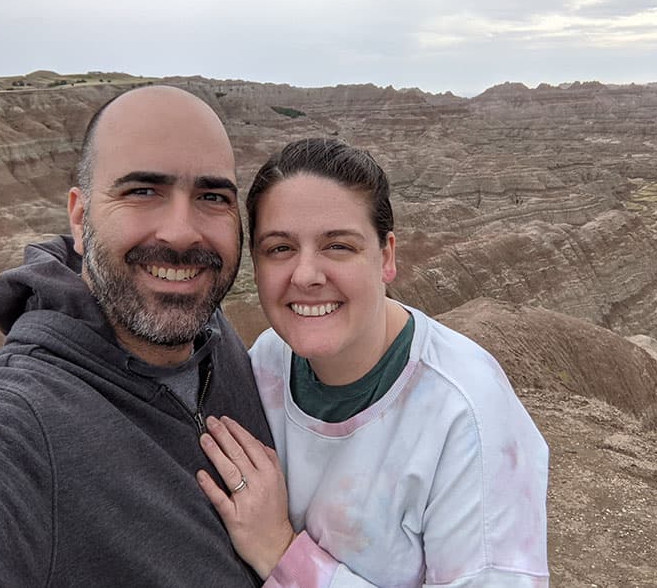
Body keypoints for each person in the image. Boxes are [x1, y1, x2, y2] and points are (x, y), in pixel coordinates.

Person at [0, 86, 273, 586]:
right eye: (142, 191)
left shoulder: (210, 333)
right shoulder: (15, 422)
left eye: (212, 197)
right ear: (80, 218)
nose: (182, 233)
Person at [196, 138, 550, 587]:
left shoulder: (467, 416)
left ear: (386, 257)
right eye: (280, 248)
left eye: (338, 246)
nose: (305, 275)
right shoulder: (267, 360)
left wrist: (281, 552)